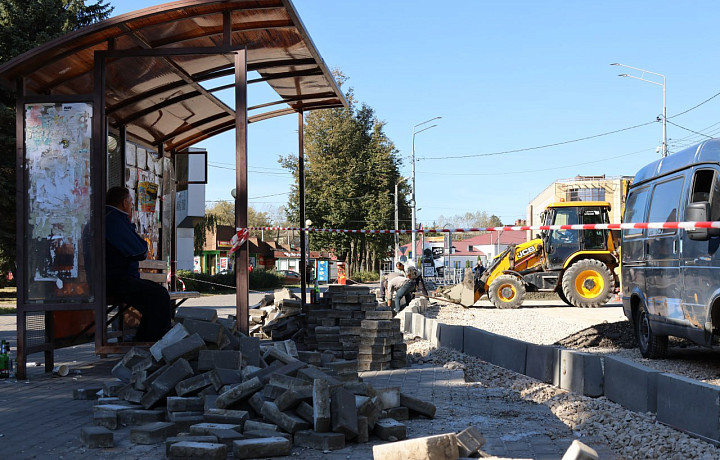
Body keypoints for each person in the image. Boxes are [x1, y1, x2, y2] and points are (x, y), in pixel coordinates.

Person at [106, 186, 171, 342]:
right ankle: (149, 343)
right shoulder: (114, 220)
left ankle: (144, 339)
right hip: (116, 280)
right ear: (124, 203)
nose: (131, 206)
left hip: (109, 277)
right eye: (130, 202)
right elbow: (140, 251)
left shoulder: (105, 217)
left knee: (156, 295)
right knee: (159, 297)